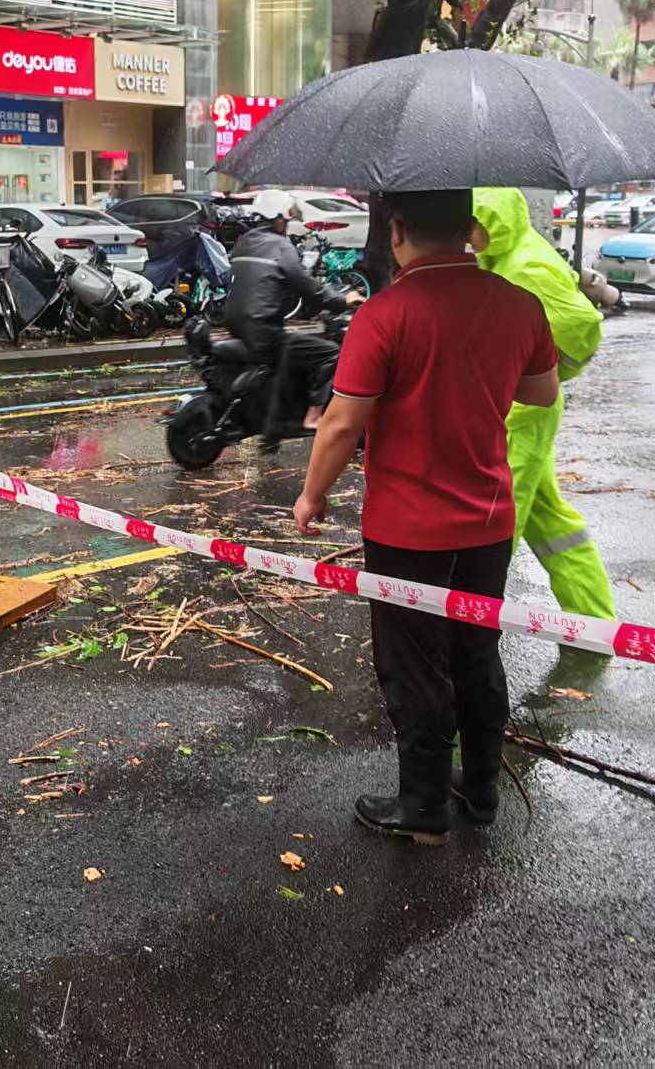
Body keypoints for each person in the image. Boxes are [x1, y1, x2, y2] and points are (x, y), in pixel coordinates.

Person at [292, 190, 560, 843]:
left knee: (416, 665)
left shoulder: (384, 314)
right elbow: (541, 390)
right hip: (489, 521)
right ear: (469, 228)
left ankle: (421, 806)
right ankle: (482, 787)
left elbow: (342, 422)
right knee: (476, 654)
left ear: (398, 232)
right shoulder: (519, 304)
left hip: (407, 528)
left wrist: (312, 495)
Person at [470, 188, 617, 622]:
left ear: (495, 221)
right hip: (515, 403)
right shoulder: (501, 258)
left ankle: (473, 616)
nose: (469, 233)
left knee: (499, 515)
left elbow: (582, 324)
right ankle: (593, 626)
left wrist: (544, 372)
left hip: (523, 408)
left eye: (474, 223)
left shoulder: (525, 265)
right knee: (551, 523)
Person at [228, 189, 358, 429]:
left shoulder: (244, 242)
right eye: (286, 220)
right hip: (264, 330)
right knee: (330, 354)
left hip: (237, 325)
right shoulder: (281, 245)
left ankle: (278, 419)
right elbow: (306, 286)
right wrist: (343, 300)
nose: (287, 225)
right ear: (278, 219)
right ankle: (314, 416)